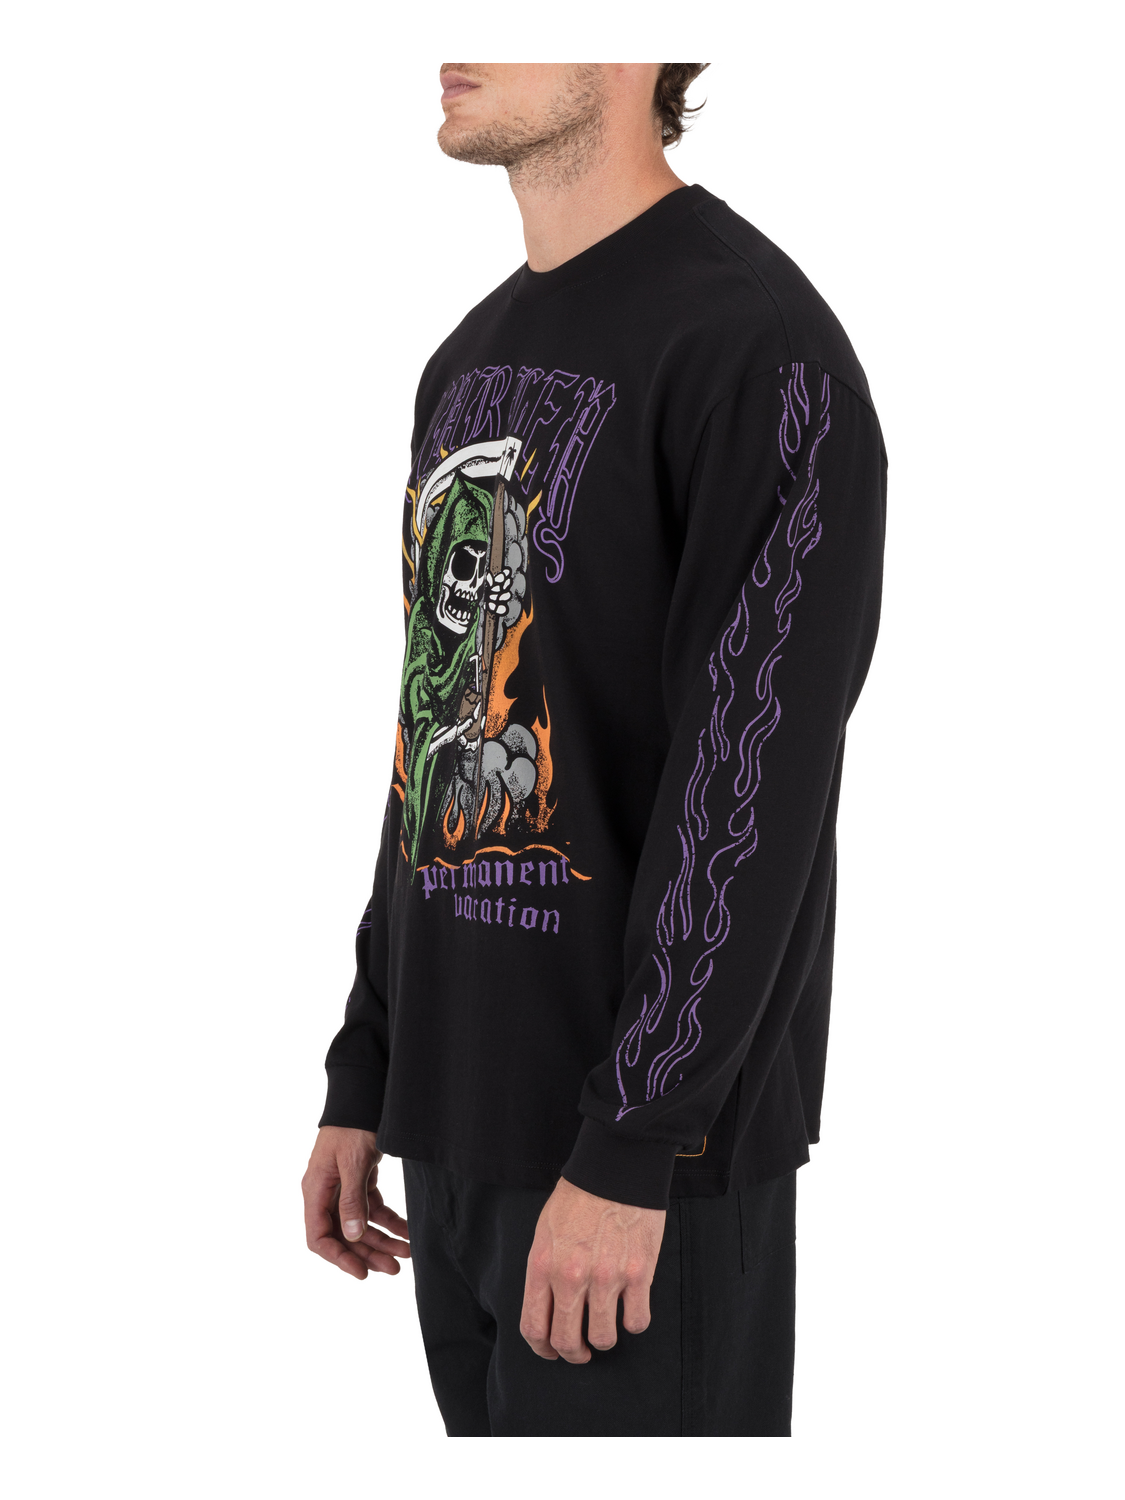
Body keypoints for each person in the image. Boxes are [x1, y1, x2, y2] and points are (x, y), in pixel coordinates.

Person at [301, 62, 886, 1438]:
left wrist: (635, 1142)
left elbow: (753, 785)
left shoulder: (757, 351)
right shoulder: (466, 366)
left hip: (634, 1172)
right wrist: (367, 1068)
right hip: (455, 1132)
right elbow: (434, 738)